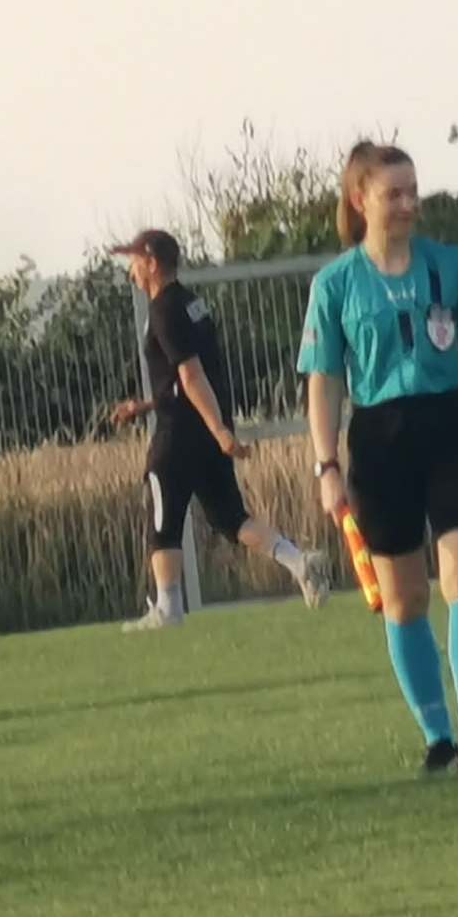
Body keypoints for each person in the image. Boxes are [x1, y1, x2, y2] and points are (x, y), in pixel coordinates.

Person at [299, 142, 458, 775]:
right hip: (379, 439)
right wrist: (326, 466)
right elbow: (324, 381)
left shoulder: (452, 266)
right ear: (359, 200)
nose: (407, 204)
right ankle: (438, 737)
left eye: (413, 191)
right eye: (393, 193)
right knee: (404, 599)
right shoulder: (335, 284)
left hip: (452, 427)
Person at [109, 229, 331, 631]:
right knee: (231, 517)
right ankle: (299, 562)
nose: (131, 272)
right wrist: (147, 406)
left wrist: (220, 431)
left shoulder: (163, 310)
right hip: (204, 431)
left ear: (152, 263)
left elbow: (192, 376)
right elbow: (186, 381)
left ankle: (167, 609)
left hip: (179, 434)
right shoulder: (191, 303)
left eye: (135, 262)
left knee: (162, 519)